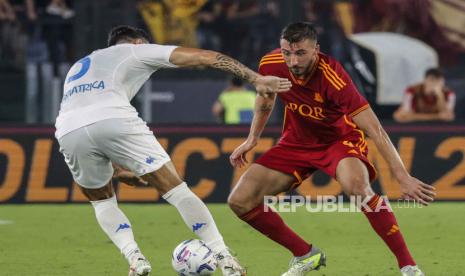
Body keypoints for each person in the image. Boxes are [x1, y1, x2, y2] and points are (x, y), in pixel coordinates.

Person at [55, 25, 292, 276]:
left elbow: (87, 122)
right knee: (177, 191)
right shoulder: (136, 51)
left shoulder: (79, 65)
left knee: (102, 201)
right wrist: (256, 78)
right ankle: (225, 259)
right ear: (137, 43)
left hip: (68, 129)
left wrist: (115, 168)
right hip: (114, 117)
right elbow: (206, 57)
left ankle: (136, 260)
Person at [227, 22, 436, 276]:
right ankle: (306, 254)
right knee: (240, 201)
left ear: (316, 50)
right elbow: (265, 95)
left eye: (300, 53)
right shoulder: (270, 64)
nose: (292, 61)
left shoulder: (333, 77)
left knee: (358, 188)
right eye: (287, 53)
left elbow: (375, 130)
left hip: (338, 141)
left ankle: (408, 266)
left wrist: (402, 176)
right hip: (296, 142)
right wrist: (252, 139)